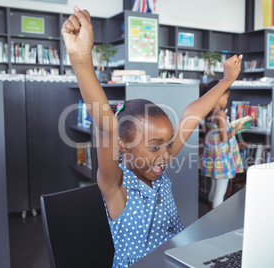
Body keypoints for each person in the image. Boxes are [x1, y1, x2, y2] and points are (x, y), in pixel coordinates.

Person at [61, 6, 242, 267]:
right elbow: (106, 126)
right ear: (123, 147)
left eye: (168, 145)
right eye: (155, 147)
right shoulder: (116, 186)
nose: (166, 155)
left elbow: (192, 114)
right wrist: (80, 58)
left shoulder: (158, 163)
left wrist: (226, 80)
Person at [200, 80, 244, 209]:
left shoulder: (208, 114)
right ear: (219, 96)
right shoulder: (220, 114)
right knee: (221, 190)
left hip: (213, 156)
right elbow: (225, 138)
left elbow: (208, 134)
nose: (227, 101)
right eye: (226, 97)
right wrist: (237, 128)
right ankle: (216, 220)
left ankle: (209, 214)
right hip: (222, 157)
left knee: (214, 187)